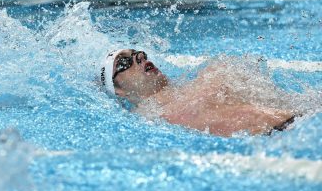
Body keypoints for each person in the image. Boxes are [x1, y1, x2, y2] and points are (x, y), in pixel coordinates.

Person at [100, 49, 296, 137]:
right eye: (124, 62)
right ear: (119, 91)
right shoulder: (170, 113)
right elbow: (255, 118)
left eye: (138, 54)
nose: (140, 57)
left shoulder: (192, 89)